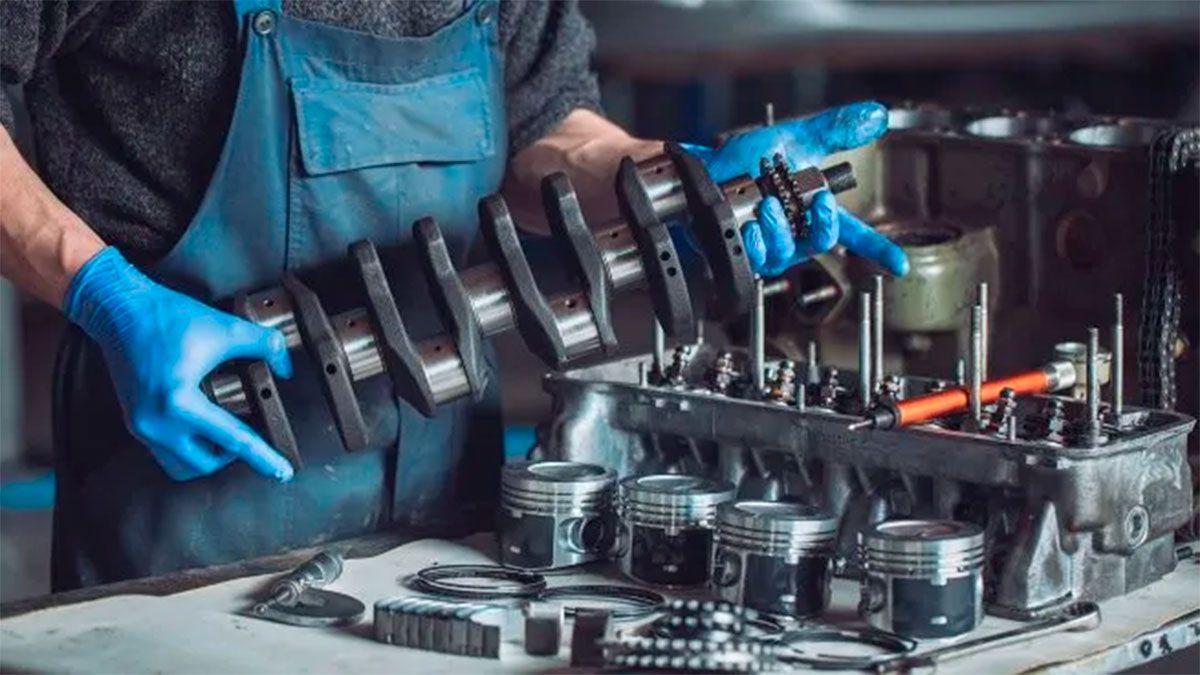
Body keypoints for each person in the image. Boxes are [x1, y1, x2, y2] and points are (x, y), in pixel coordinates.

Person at [0, 0, 907, 589]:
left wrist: (679, 179)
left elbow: (545, 129)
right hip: (189, 481)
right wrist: (99, 288)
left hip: (447, 504)